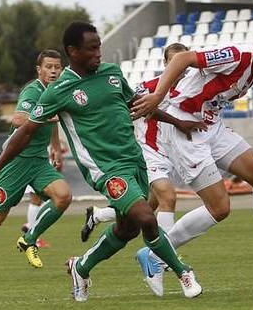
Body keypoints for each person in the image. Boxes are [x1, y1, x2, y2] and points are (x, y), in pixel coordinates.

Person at [0, 22, 204, 302]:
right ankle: (183, 271)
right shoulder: (59, 90)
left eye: (99, 47)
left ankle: (80, 267)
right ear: (73, 51)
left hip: (134, 162)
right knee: (145, 217)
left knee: (126, 229)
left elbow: (140, 106)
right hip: (105, 171)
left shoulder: (112, 74)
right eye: (92, 49)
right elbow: (25, 132)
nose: (99, 54)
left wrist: (179, 122)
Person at [131, 27, 253, 297]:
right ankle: (155, 254)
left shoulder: (252, 74)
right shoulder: (236, 55)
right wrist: (158, 96)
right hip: (184, 129)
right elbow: (180, 59)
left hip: (209, 126)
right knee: (220, 207)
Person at [0, 50, 72, 282]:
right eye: (48, 67)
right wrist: (49, 117)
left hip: (39, 162)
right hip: (15, 162)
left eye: (57, 67)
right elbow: (19, 119)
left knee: (63, 196)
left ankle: (29, 238)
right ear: (39, 70)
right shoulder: (32, 90)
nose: (53, 71)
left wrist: (56, 148)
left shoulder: (57, 90)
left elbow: (52, 120)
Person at [80, 43, 190, 242]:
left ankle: (98, 215)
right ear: (166, 63)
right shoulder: (149, 88)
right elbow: (124, 106)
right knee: (168, 198)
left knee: (146, 208)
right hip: (147, 151)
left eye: (184, 62)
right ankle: (164, 255)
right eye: (174, 61)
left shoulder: (190, 88)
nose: (180, 67)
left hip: (169, 153)